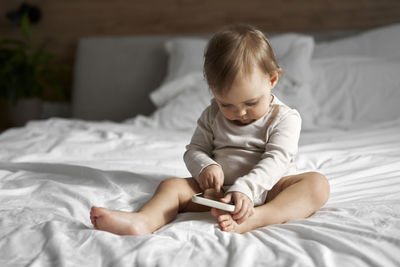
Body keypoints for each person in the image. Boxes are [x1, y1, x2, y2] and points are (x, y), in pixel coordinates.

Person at [90, 24, 330, 235]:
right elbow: (194, 150)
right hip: (218, 196)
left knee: (317, 185)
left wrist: (245, 189)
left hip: (270, 190)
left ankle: (258, 218)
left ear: (272, 80)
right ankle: (143, 221)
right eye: (227, 104)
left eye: (251, 103)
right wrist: (205, 166)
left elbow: (277, 159)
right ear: (213, 91)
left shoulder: (285, 118)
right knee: (172, 186)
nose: (240, 113)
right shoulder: (213, 114)